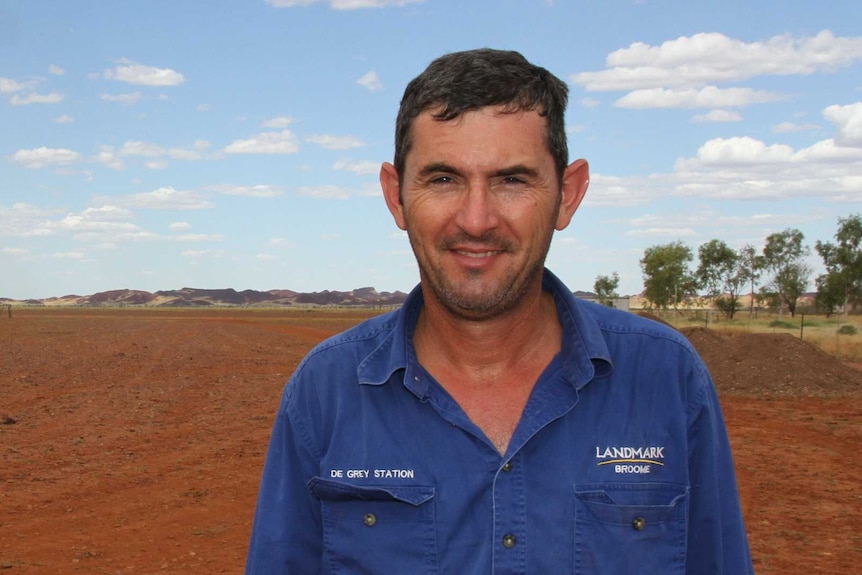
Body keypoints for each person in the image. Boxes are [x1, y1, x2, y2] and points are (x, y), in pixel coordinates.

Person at [245, 48, 753, 574]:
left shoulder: (665, 377)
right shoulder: (325, 391)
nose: (477, 219)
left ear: (567, 194)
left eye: (512, 180)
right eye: (443, 179)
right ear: (396, 197)